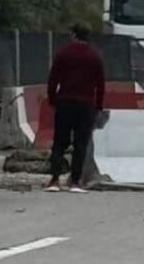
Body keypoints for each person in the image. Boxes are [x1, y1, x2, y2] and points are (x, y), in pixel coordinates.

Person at [45, 24, 106, 193]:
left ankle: (54, 180)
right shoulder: (95, 56)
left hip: (65, 102)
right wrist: (99, 106)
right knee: (81, 143)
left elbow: (53, 79)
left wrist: (52, 100)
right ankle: (75, 181)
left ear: (73, 35)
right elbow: (100, 84)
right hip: (86, 105)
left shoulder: (63, 53)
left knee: (59, 142)